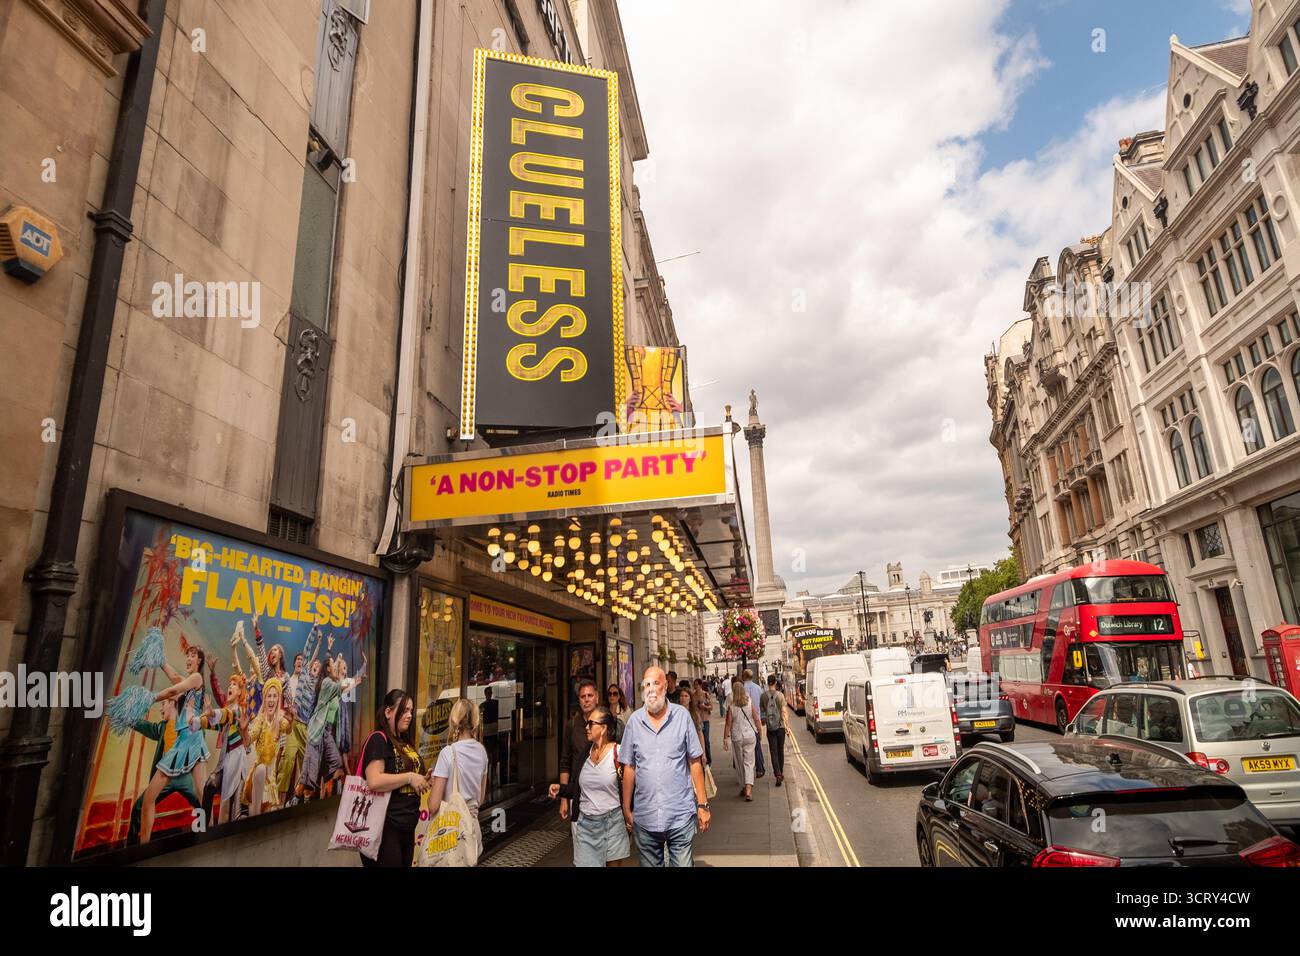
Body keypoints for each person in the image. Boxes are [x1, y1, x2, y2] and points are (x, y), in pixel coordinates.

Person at [619, 666, 710, 867]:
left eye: (656, 683)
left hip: (680, 815)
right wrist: (626, 807)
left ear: (666, 686)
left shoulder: (682, 717)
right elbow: (629, 767)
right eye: (647, 684)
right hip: (645, 818)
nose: (651, 689)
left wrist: (702, 805)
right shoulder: (634, 722)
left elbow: (694, 762)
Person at [548, 706, 629, 867]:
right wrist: (561, 790)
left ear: (604, 728)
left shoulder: (618, 754)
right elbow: (580, 788)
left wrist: (630, 813)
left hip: (613, 822)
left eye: (591, 724)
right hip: (585, 824)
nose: (587, 727)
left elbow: (630, 788)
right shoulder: (586, 753)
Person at [359, 689, 429, 867]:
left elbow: (409, 779)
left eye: (411, 711)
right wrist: (410, 777)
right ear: (388, 712)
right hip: (385, 828)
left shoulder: (405, 741)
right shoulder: (379, 740)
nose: (409, 715)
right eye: (404, 710)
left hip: (407, 826)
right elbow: (374, 781)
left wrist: (423, 780)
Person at [428, 698, 490, 833]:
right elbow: (480, 798)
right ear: (475, 722)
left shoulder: (448, 753)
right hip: (472, 829)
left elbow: (433, 805)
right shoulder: (482, 752)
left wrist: (433, 785)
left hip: (451, 830)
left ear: (453, 720)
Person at [558, 680, 600, 823]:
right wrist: (564, 799)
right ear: (579, 700)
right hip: (578, 794)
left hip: (603, 794)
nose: (587, 699)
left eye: (590, 695)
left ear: (597, 698)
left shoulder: (607, 723)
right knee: (580, 842)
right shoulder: (572, 725)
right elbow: (565, 762)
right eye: (583, 696)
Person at [724, 678, 760, 800]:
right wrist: (759, 731)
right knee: (749, 763)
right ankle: (748, 790)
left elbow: (728, 724)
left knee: (740, 763)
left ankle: (744, 787)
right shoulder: (749, 702)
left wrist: (725, 739)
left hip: (737, 737)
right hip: (750, 735)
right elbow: (756, 718)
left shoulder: (731, 706)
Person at [760, 674, 787, 787]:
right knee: (780, 750)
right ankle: (780, 772)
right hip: (780, 727)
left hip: (770, 728)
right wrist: (787, 726)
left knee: (773, 752)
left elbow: (762, 712)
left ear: (767, 683)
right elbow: (784, 712)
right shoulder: (780, 695)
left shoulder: (763, 696)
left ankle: (777, 774)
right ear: (775, 683)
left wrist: (763, 722)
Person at [742, 668, 766, 778]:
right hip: (756, 720)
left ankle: (748, 771)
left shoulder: (741, 689)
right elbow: (761, 705)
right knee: (757, 745)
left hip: (745, 721)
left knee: (746, 748)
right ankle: (760, 769)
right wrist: (762, 718)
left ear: (744, 676)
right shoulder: (758, 688)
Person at [677, 686, 707, 759]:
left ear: (690, 699)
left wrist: (703, 754)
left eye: (686, 696)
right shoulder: (675, 714)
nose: (683, 698)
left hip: (693, 748)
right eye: (681, 696)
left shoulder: (695, 715)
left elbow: (700, 734)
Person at [692, 679, 712, 765]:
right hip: (696, 720)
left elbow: (711, 707)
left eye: (696, 685)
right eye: (694, 685)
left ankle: (709, 760)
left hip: (705, 719)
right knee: (698, 741)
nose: (695, 686)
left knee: (706, 740)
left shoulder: (705, 694)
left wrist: (704, 706)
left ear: (700, 685)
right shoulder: (692, 696)